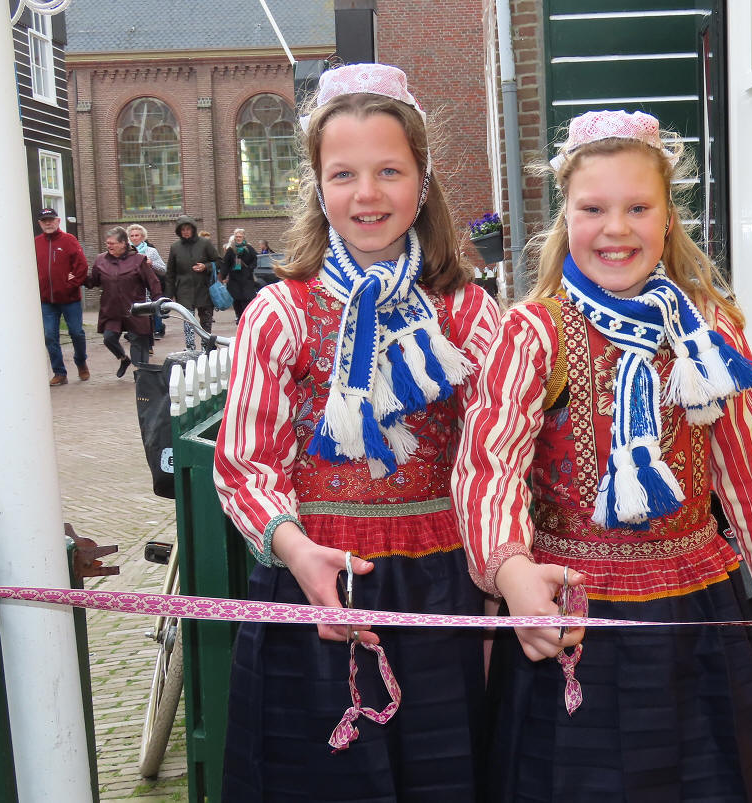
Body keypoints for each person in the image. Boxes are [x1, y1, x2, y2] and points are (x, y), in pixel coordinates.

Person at [452, 110, 752, 801]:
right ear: (565, 217)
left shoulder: (709, 330)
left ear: (668, 219)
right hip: (565, 612)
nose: (615, 228)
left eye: (637, 208)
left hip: (697, 618)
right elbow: (487, 467)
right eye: (593, 209)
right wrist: (513, 573)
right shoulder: (532, 333)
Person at [213, 63, 500, 801]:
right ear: (317, 185)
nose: (366, 193)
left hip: (444, 587)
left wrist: (498, 578)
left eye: (388, 171)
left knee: (444, 778)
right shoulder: (278, 312)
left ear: (423, 181)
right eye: (343, 174)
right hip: (313, 581)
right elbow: (245, 464)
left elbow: (495, 459)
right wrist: (297, 551)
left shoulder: (469, 312)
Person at [85, 226, 161, 377]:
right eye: (107, 243)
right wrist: (79, 276)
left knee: (138, 341)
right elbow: (93, 281)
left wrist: (158, 301)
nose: (109, 246)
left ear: (123, 243)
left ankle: (141, 375)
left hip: (135, 310)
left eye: (112, 243)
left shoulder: (138, 260)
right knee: (109, 338)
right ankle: (123, 359)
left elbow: (153, 282)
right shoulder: (101, 260)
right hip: (112, 310)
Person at [35, 207, 90, 386]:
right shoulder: (35, 243)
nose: (48, 223)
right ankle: (59, 372)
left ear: (58, 221)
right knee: (50, 336)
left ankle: (81, 362)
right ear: (40, 224)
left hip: (70, 299)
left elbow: (82, 266)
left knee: (76, 332)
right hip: (46, 301)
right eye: (45, 221)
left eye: (51, 220)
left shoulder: (69, 240)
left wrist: (71, 285)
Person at [165, 215, 219, 350]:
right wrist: (168, 295)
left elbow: (219, 262)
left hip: (204, 288)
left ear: (193, 229)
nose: (186, 232)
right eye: (183, 230)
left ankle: (206, 346)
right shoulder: (175, 247)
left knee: (206, 320)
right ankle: (190, 348)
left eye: (188, 229)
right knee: (188, 320)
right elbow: (170, 272)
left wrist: (206, 266)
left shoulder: (205, 243)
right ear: (179, 231)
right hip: (184, 290)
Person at [127, 224, 167, 339]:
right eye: (132, 236)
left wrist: (152, 264)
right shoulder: (125, 252)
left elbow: (163, 269)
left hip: (149, 287)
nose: (134, 238)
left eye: (137, 235)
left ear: (143, 237)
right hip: (132, 288)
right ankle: (134, 331)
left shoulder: (151, 251)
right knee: (134, 309)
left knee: (153, 307)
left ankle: (157, 329)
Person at [220, 228, 258, 322]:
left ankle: (246, 318)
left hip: (246, 279)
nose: (238, 238)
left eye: (240, 236)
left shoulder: (249, 248)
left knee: (247, 300)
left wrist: (250, 269)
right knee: (236, 300)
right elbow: (226, 263)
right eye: (236, 236)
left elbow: (255, 259)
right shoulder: (231, 249)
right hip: (234, 279)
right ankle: (239, 318)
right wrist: (222, 276)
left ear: (243, 237)